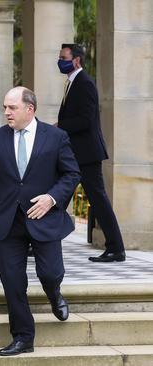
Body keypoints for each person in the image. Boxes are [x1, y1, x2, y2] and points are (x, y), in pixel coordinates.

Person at [0, 87, 80, 356]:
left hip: (44, 217)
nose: (6, 113)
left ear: (30, 109)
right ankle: (23, 336)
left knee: (50, 272)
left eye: (12, 108)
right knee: (12, 280)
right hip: (8, 221)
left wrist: (52, 198)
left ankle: (54, 292)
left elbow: (71, 174)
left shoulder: (56, 137)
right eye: (5, 108)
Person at [57, 43, 126, 262]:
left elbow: (86, 120)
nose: (60, 61)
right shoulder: (73, 82)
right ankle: (42, 240)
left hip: (86, 154)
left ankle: (116, 248)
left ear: (76, 60)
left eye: (64, 57)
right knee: (59, 196)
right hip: (76, 153)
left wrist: (60, 126)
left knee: (98, 199)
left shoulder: (84, 83)